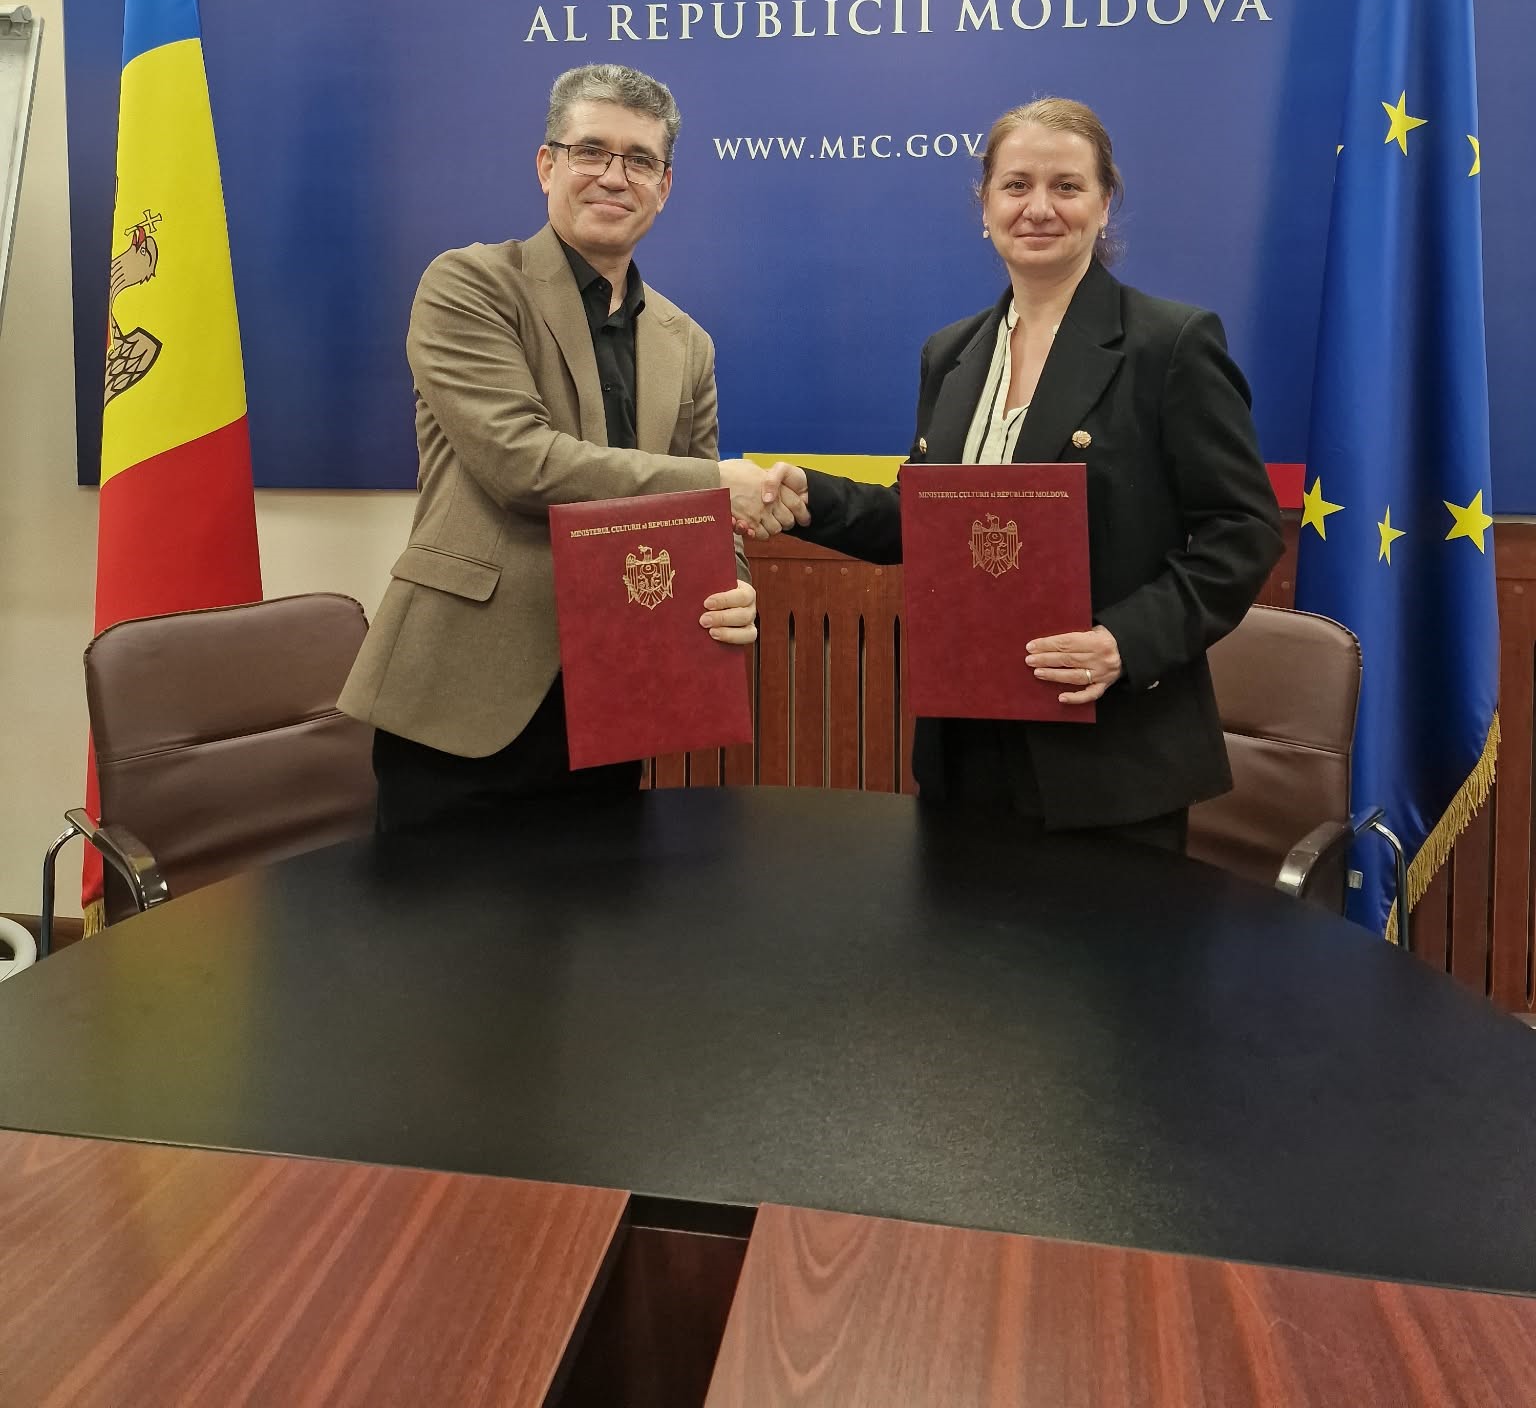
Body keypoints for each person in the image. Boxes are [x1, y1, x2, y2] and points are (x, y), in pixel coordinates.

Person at [761, 97, 1283, 851]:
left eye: (1066, 186)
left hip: (1111, 761)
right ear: (985, 206)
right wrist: (809, 497)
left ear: (1104, 204)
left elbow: (1243, 530)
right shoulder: (951, 353)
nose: (1039, 208)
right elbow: (925, 523)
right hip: (964, 749)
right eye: (1016, 185)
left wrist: (1124, 642)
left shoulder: (1171, 344)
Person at [342, 62, 801, 833]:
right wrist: (718, 485)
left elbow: (705, 515)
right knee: (440, 914)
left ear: (664, 186)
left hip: (618, 693)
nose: (614, 177)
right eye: (591, 150)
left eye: (640, 159)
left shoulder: (686, 342)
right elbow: (520, 463)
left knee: (603, 906)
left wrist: (733, 585)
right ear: (546, 164)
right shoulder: (470, 285)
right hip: (465, 697)